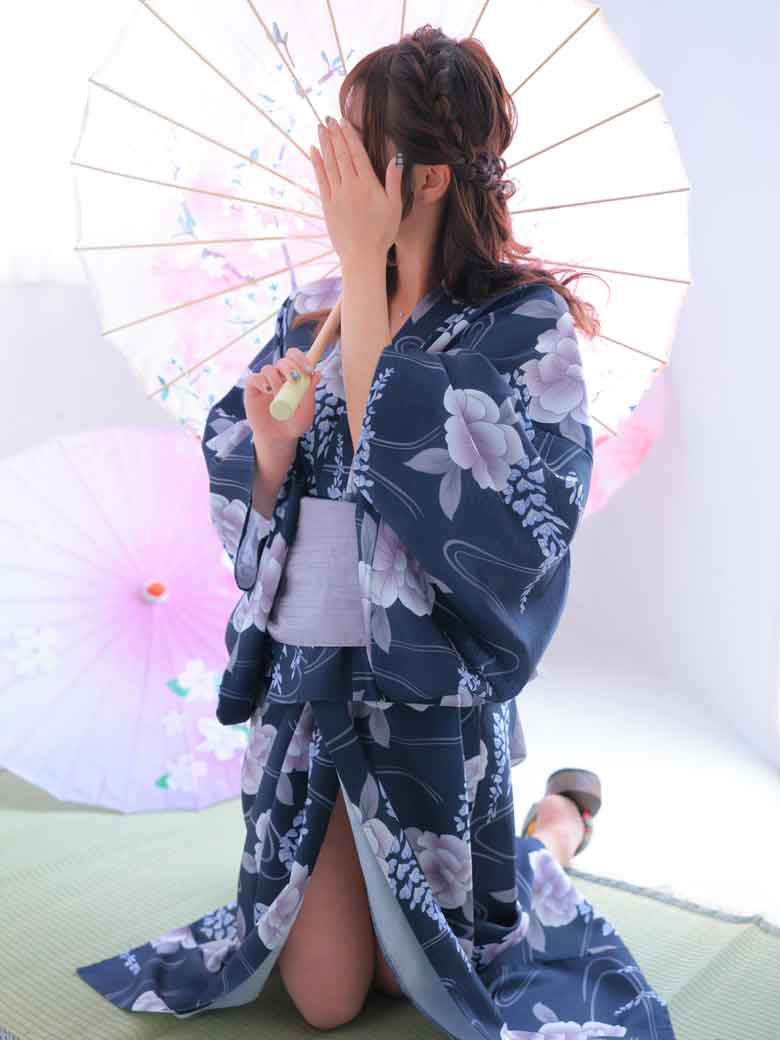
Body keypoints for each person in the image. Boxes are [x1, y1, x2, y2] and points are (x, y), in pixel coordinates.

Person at [75, 25, 678, 1040]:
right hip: (311, 685)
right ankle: (424, 847)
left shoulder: (522, 323)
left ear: (427, 178)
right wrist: (273, 453)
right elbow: (254, 492)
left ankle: (555, 827)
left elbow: (504, 518)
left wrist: (366, 274)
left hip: (425, 699)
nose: (335, 171)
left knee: (419, 977)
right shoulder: (309, 312)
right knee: (325, 998)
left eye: (358, 149)